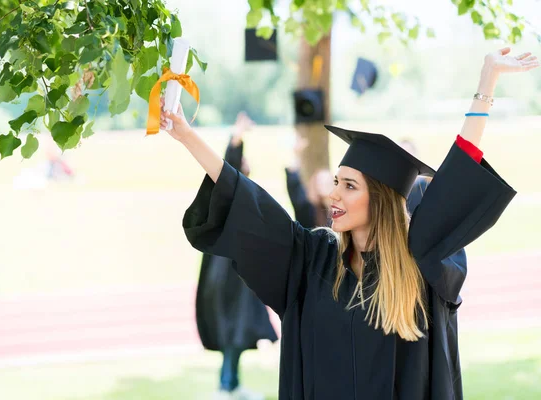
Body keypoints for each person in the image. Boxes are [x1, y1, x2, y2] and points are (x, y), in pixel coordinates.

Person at [160, 48, 537, 399]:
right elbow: (248, 202)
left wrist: (487, 80)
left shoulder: (421, 265)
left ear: (382, 202)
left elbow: (455, 183)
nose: (335, 195)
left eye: (350, 186)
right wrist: (186, 135)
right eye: (337, 182)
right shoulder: (312, 258)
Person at [195, 112, 276, 400]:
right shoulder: (226, 196)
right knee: (233, 332)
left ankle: (231, 383)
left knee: (238, 334)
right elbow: (226, 168)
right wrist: (237, 138)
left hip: (237, 278)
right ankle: (225, 386)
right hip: (226, 277)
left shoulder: (243, 201)